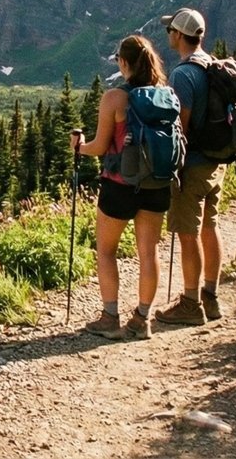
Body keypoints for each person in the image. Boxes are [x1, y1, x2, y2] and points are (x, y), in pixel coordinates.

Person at [70, 33, 170, 340]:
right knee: (148, 251)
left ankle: (110, 317)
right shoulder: (166, 95)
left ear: (124, 62)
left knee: (106, 250)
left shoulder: (114, 98)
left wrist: (79, 146)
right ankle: (142, 319)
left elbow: (101, 147)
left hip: (119, 185)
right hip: (156, 183)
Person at [156, 7, 225, 326]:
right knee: (209, 227)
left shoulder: (183, 73)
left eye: (171, 30)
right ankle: (210, 296)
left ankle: (190, 303)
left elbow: (179, 124)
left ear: (180, 36)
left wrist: (174, 165)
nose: (168, 34)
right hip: (215, 162)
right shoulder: (211, 64)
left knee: (187, 233)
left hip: (192, 165)